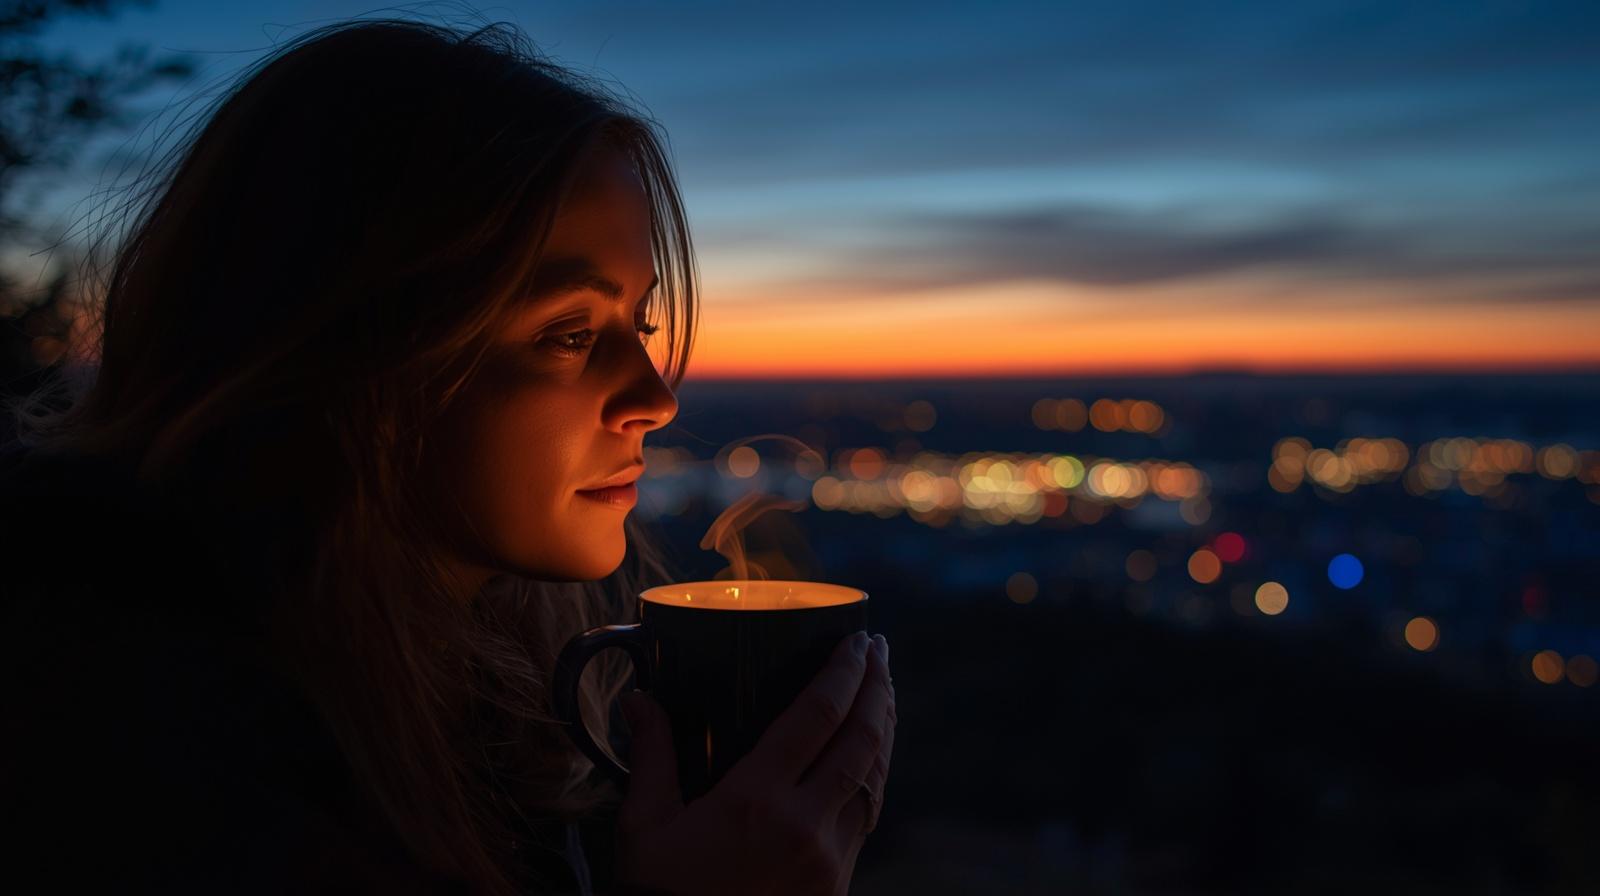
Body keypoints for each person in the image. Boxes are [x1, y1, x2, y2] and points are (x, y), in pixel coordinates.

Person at [0, 18, 895, 895]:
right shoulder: (147, 756)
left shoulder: (474, 695)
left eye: (642, 323)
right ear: (356, 363)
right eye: (571, 334)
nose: (656, 399)